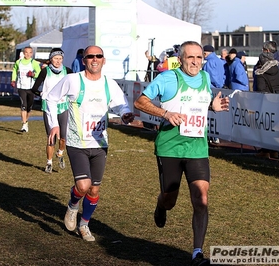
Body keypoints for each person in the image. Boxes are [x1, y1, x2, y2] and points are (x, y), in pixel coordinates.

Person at [133, 41, 230, 265]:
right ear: (181, 58)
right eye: (190, 58)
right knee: (170, 200)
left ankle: (197, 253)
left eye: (199, 57)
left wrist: (211, 108)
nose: (195, 62)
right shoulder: (168, 78)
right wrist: (165, 113)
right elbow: (140, 102)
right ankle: (161, 205)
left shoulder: (205, 78)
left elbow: (196, 107)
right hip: (170, 147)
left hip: (197, 148)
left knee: (202, 199)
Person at [45, 45, 134, 241]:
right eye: (90, 56)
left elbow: (121, 104)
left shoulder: (109, 84)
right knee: (83, 186)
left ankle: (84, 224)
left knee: (94, 189)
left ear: (104, 60)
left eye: (98, 56)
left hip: (100, 143)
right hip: (77, 143)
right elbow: (50, 98)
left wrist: (125, 114)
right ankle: (73, 205)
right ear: (83, 60)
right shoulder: (73, 80)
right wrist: (54, 124)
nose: (95, 59)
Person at [31, 48, 73, 173]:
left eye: (60, 59)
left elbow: (74, 86)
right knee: (51, 138)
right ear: (51, 59)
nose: (58, 61)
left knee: (64, 137)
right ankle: (49, 162)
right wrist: (41, 93)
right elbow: (34, 88)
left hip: (63, 106)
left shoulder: (68, 71)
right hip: (49, 107)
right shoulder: (45, 72)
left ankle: (60, 154)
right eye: (55, 58)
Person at [254, 51, 279, 159]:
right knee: (275, 127)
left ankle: (265, 150)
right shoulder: (278, 70)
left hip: (266, 103)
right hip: (278, 101)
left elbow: (260, 89)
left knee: (265, 126)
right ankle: (275, 151)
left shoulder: (260, 74)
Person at [11, 46, 41, 132]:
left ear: (32, 53)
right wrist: (13, 80)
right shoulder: (18, 62)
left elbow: (39, 73)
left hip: (31, 88)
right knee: (23, 105)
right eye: (26, 52)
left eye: (30, 53)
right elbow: (14, 71)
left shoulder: (34, 62)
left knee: (29, 107)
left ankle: (26, 121)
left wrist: (33, 75)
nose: (28, 54)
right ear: (23, 53)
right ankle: (24, 124)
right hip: (21, 87)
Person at [202, 44, 225, 145]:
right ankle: (215, 136)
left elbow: (211, 76)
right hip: (219, 88)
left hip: (211, 89)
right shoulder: (219, 61)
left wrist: (216, 84)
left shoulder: (209, 62)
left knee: (209, 114)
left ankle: (213, 137)